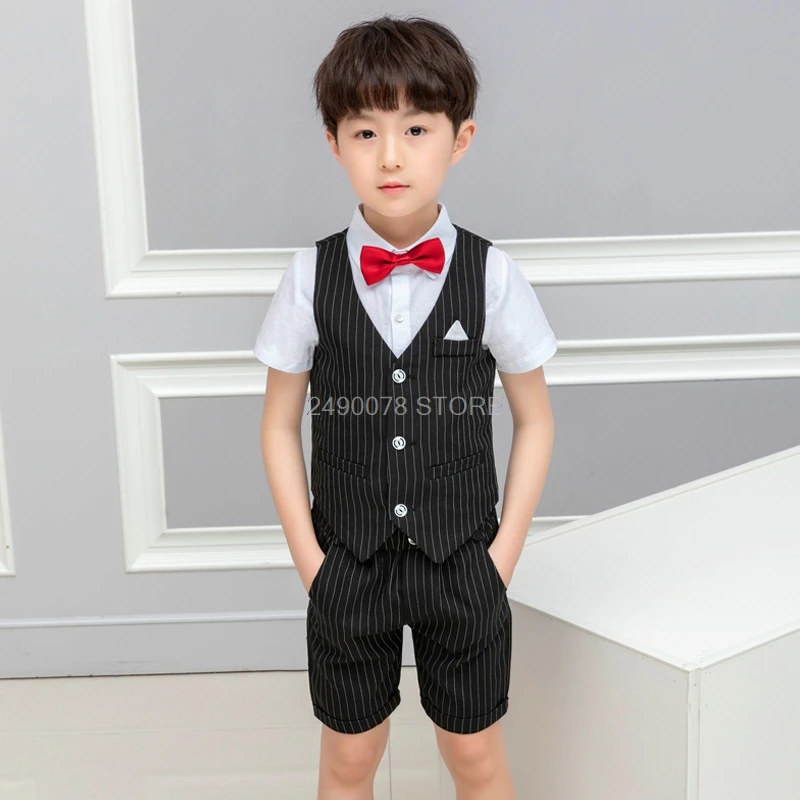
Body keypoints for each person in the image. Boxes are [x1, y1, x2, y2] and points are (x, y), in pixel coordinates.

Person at [256, 14, 557, 799]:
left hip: (463, 565)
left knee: (476, 759)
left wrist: (500, 558)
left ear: (460, 139)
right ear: (334, 143)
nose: (390, 156)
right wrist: (313, 564)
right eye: (365, 132)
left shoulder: (492, 275)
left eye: (416, 129)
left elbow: (535, 420)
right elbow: (278, 426)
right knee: (349, 762)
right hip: (347, 565)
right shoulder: (308, 277)